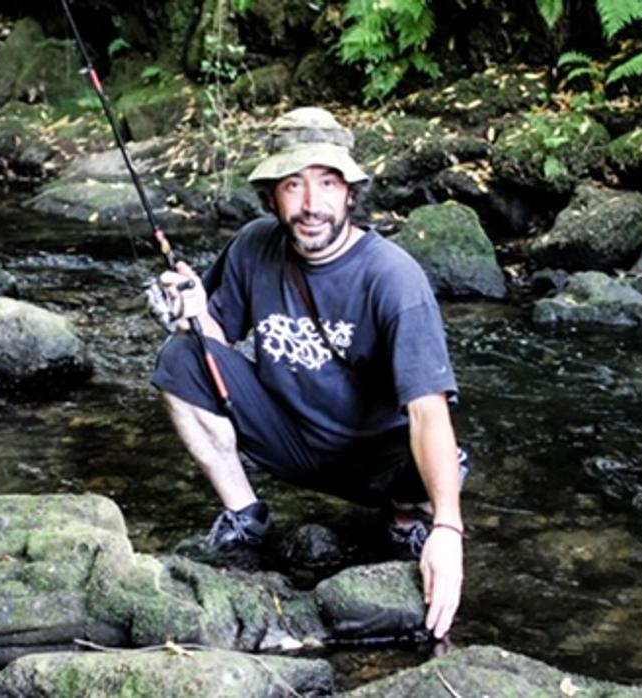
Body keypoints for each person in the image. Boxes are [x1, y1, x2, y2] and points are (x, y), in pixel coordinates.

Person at [151, 107, 466, 639]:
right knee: (180, 356)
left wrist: (449, 530)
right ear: (272, 194)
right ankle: (245, 516)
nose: (311, 205)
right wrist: (190, 307)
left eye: (326, 183)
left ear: (350, 193)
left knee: (435, 463)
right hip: (291, 440)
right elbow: (216, 342)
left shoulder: (393, 278)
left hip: (377, 461)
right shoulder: (254, 244)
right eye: (293, 185)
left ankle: (407, 518)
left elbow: (428, 412)